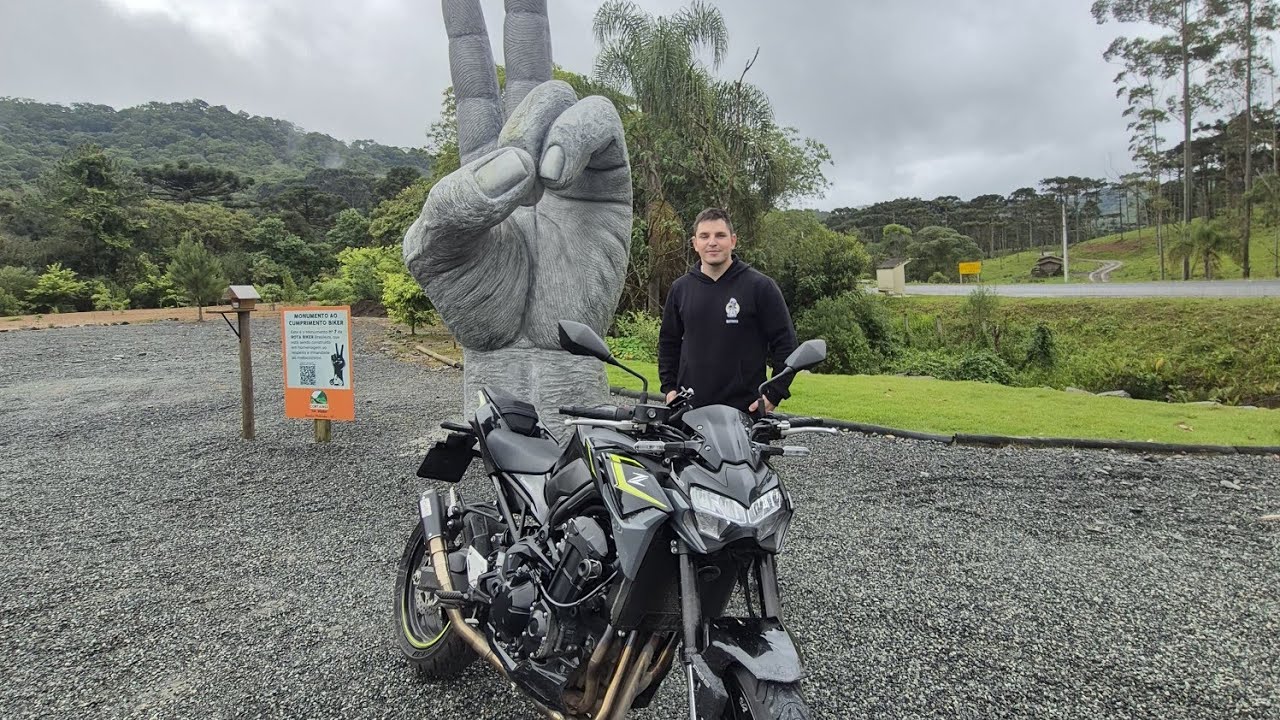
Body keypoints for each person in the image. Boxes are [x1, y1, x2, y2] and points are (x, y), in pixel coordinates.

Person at [658, 207, 798, 414]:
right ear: (695, 243)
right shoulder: (680, 289)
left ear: (733, 240)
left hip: (745, 412)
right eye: (704, 236)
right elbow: (668, 343)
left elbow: (786, 344)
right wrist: (669, 389)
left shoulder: (760, 287)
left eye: (720, 235)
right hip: (688, 413)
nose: (712, 242)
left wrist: (774, 393)